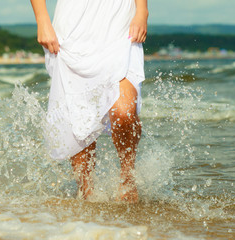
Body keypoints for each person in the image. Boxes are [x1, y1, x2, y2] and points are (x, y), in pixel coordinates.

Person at [30, 0, 148, 203]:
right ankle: (87, 193)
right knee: (78, 116)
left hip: (120, 22)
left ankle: (128, 177)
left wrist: (142, 11)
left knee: (124, 111)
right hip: (73, 27)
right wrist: (42, 19)